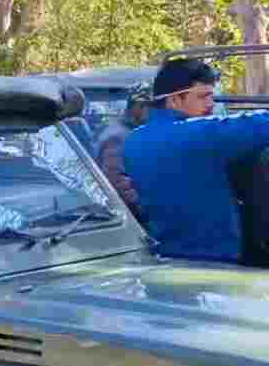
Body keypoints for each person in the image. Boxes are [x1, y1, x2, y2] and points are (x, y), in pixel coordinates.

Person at [124, 59, 269, 264]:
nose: (211, 104)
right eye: (203, 97)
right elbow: (258, 124)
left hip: (165, 256)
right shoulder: (198, 135)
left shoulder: (133, 140)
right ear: (174, 99)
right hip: (215, 259)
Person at [95, 82, 150, 222]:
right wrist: (152, 214)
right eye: (153, 108)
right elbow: (120, 188)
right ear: (139, 107)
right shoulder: (118, 138)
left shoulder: (131, 132)